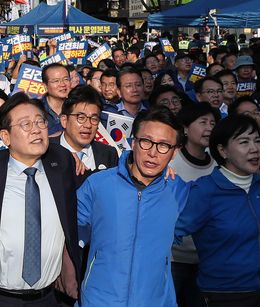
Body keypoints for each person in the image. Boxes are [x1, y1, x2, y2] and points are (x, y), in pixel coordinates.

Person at [0, 92, 81, 307]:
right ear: (6, 136)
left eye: (40, 122)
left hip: (49, 298)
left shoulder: (62, 163)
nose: (36, 129)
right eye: (25, 125)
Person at [77, 106, 187, 306]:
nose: (153, 153)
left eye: (163, 146)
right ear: (133, 142)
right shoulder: (98, 184)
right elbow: (66, 230)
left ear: (174, 152)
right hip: (98, 301)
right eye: (146, 142)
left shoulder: (179, 191)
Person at [175, 115, 260, 306]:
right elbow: (170, 232)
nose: (254, 148)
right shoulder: (204, 191)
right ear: (222, 150)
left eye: (257, 141)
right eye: (244, 142)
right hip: (225, 295)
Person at [169, 103, 220, 307]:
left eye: (213, 123)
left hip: (207, 260)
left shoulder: (220, 165)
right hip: (173, 258)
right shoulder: (171, 163)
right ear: (186, 129)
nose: (209, 128)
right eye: (203, 122)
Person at [54, 85, 118, 175]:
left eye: (94, 119)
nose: (88, 125)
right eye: (81, 117)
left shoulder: (109, 154)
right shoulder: (47, 150)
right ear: (64, 120)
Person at [41, 63, 72, 136]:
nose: (62, 84)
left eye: (66, 79)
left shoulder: (77, 108)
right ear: (45, 86)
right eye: (56, 81)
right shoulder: (36, 109)